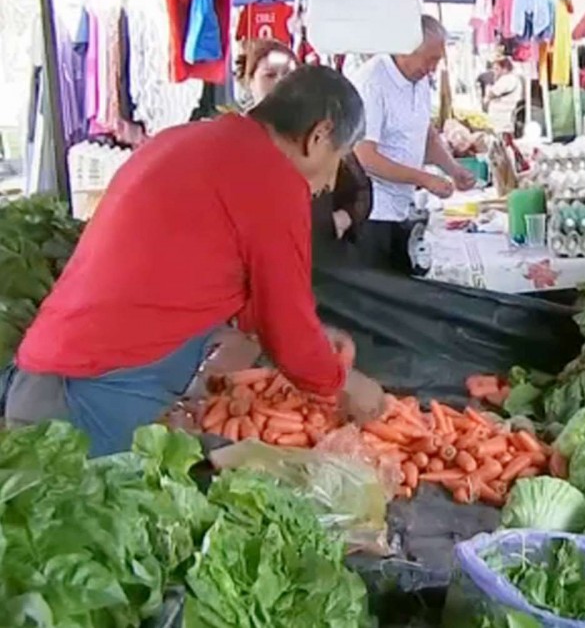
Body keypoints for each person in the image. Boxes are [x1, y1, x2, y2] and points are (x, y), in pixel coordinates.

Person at [2, 66, 385, 456]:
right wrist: (346, 384)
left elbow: (229, 279)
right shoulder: (273, 180)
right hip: (86, 398)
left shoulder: (184, 139)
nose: (332, 182)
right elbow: (286, 325)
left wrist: (315, 335)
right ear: (318, 136)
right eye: (338, 158)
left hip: (41, 376)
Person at [352, 16, 475, 274]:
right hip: (373, 214)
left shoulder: (418, 81)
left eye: (437, 60)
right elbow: (366, 157)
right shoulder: (372, 82)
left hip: (402, 210)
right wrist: (424, 178)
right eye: (430, 59)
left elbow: (426, 134)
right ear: (405, 49)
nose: (432, 68)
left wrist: (453, 169)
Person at [238, 41, 372, 250]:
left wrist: (340, 220)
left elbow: (361, 191)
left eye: (288, 74)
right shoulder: (244, 165)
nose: (281, 83)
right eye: (270, 75)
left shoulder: (327, 139)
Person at [484, 57, 523, 134]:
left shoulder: (506, 79)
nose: (495, 71)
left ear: (505, 68)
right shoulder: (513, 78)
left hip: (500, 114)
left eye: (497, 69)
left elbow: (492, 93)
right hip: (504, 113)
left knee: (499, 134)